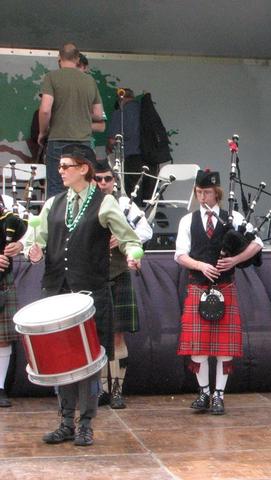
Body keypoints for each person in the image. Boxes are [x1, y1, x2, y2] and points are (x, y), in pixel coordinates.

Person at [22, 144, 142, 447]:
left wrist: (132, 254)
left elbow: (129, 237)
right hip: (56, 293)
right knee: (61, 363)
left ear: (83, 168)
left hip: (89, 295)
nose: (60, 171)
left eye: (66, 166)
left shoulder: (105, 203)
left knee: (88, 364)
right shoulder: (53, 203)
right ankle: (65, 423)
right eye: (60, 166)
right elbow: (37, 240)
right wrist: (32, 250)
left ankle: (86, 424)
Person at [174, 170, 262, 415]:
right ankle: (203, 393)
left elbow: (257, 243)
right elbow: (179, 254)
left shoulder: (232, 216)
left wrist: (235, 260)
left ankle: (219, 395)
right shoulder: (187, 220)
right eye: (199, 192)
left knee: (224, 349)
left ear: (218, 193)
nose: (202, 197)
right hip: (198, 286)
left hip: (225, 287)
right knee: (198, 347)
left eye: (207, 192)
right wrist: (200, 265)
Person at [94, 160, 152, 409]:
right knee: (96, 336)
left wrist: (125, 236)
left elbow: (146, 230)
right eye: (99, 179)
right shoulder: (87, 205)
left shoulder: (124, 204)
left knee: (117, 335)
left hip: (117, 273)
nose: (104, 183)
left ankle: (117, 389)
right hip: (92, 277)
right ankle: (101, 390)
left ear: (114, 180)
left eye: (108, 178)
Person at [38, 43, 105, 198]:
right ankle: (82, 221)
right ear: (77, 59)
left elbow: (45, 109)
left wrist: (42, 132)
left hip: (58, 140)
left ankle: (58, 222)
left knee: (57, 189)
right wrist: (79, 111)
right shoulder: (89, 81)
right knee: (83, 188)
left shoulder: (51, 77)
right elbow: (99, 114)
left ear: (59, 58)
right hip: (84, 142)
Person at [0, 195, 27, 408]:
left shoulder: (7, 202)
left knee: (2, 338)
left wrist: (20, 244)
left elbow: (34, 227)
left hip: (2, 278)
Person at [106, 88, 151, 205]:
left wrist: (109, 149)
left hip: (131, 156)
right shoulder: (145, 111)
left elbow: (112, 141)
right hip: (150, 157)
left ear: (120, 98)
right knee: (149, 191)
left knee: (134, 191)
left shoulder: (120, 114)